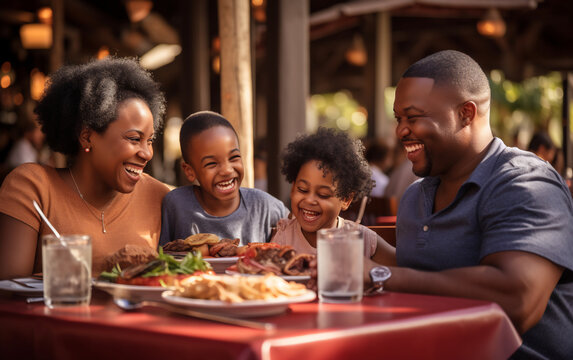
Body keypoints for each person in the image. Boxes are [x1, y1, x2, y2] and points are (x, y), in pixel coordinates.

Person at [359, 50, 573, 359]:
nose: (400, 131)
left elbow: (518, 298)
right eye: (398, 119)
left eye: (414, 117)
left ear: (466, 114)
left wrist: (380, 275)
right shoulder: (415, 197)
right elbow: (431, 277)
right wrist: (372, 250)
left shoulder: (524, 182)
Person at [0, 57, 171, 278]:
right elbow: (8, 295)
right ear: (87, 136)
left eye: (149, 140)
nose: (147, 153)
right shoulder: (32, 187)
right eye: (134, 138)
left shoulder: (158, 197)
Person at [159, 111, 288, 246]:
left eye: (234, 157)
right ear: (189, 171)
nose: (227, 170)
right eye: (211, 164)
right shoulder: (177, 205)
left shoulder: (265, 207)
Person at [271, 127, 396, 266]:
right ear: (293, 188)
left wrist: (372, 274)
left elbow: (404, 269)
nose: (310, 200)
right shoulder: (284, 237)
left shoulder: (361, 238)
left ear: (345, 199)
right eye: (302, 189)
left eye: (323, 195)